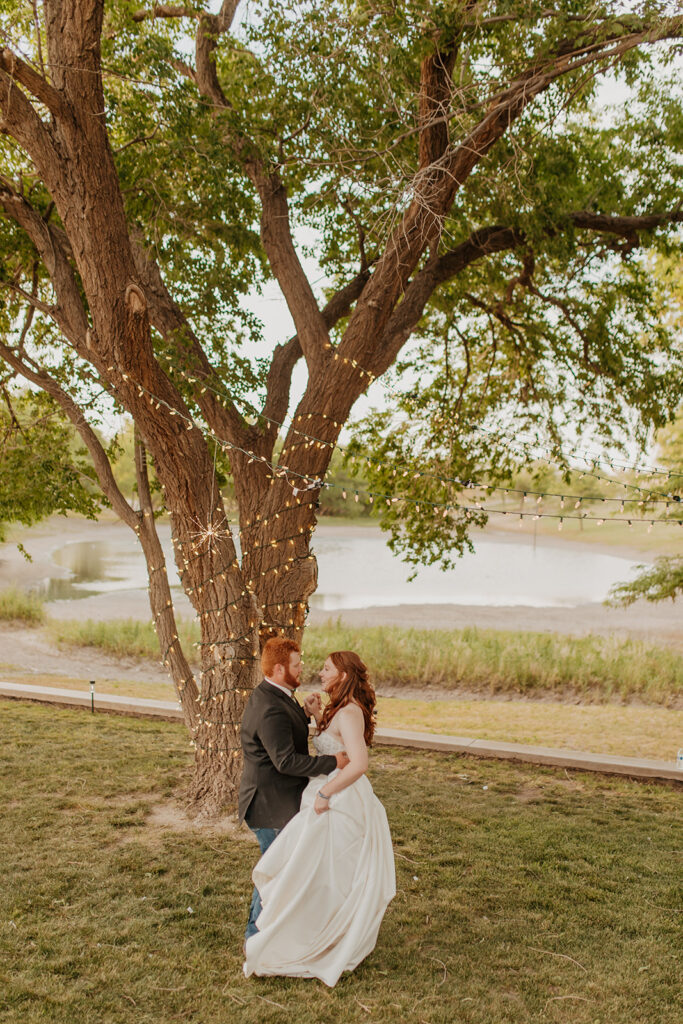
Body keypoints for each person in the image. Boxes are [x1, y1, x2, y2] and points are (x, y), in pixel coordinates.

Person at [243, 650, 396, 987]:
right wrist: (313, 716)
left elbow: (358, 763)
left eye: (327, 669)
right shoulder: (339, 708)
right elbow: (332, 745)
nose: (318, 672)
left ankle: (326, 934)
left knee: (330, 870)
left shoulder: (351, 711)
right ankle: (293, 929)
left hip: (338, 799)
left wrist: (327, 794)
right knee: (311, 867)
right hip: (321, 794)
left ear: (343, 675)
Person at [238, 636, 349, 944]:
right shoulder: (270, 707)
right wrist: (332, 761)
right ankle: (255, 937)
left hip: (274, 799)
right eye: (296, 665)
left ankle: (279, 931)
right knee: (276, 873)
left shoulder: (274, 695)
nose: (302, 669)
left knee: (284, 870)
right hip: (269, 805)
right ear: (278, 668)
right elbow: (285, 760)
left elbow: (278, 735)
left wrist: (303, 713)